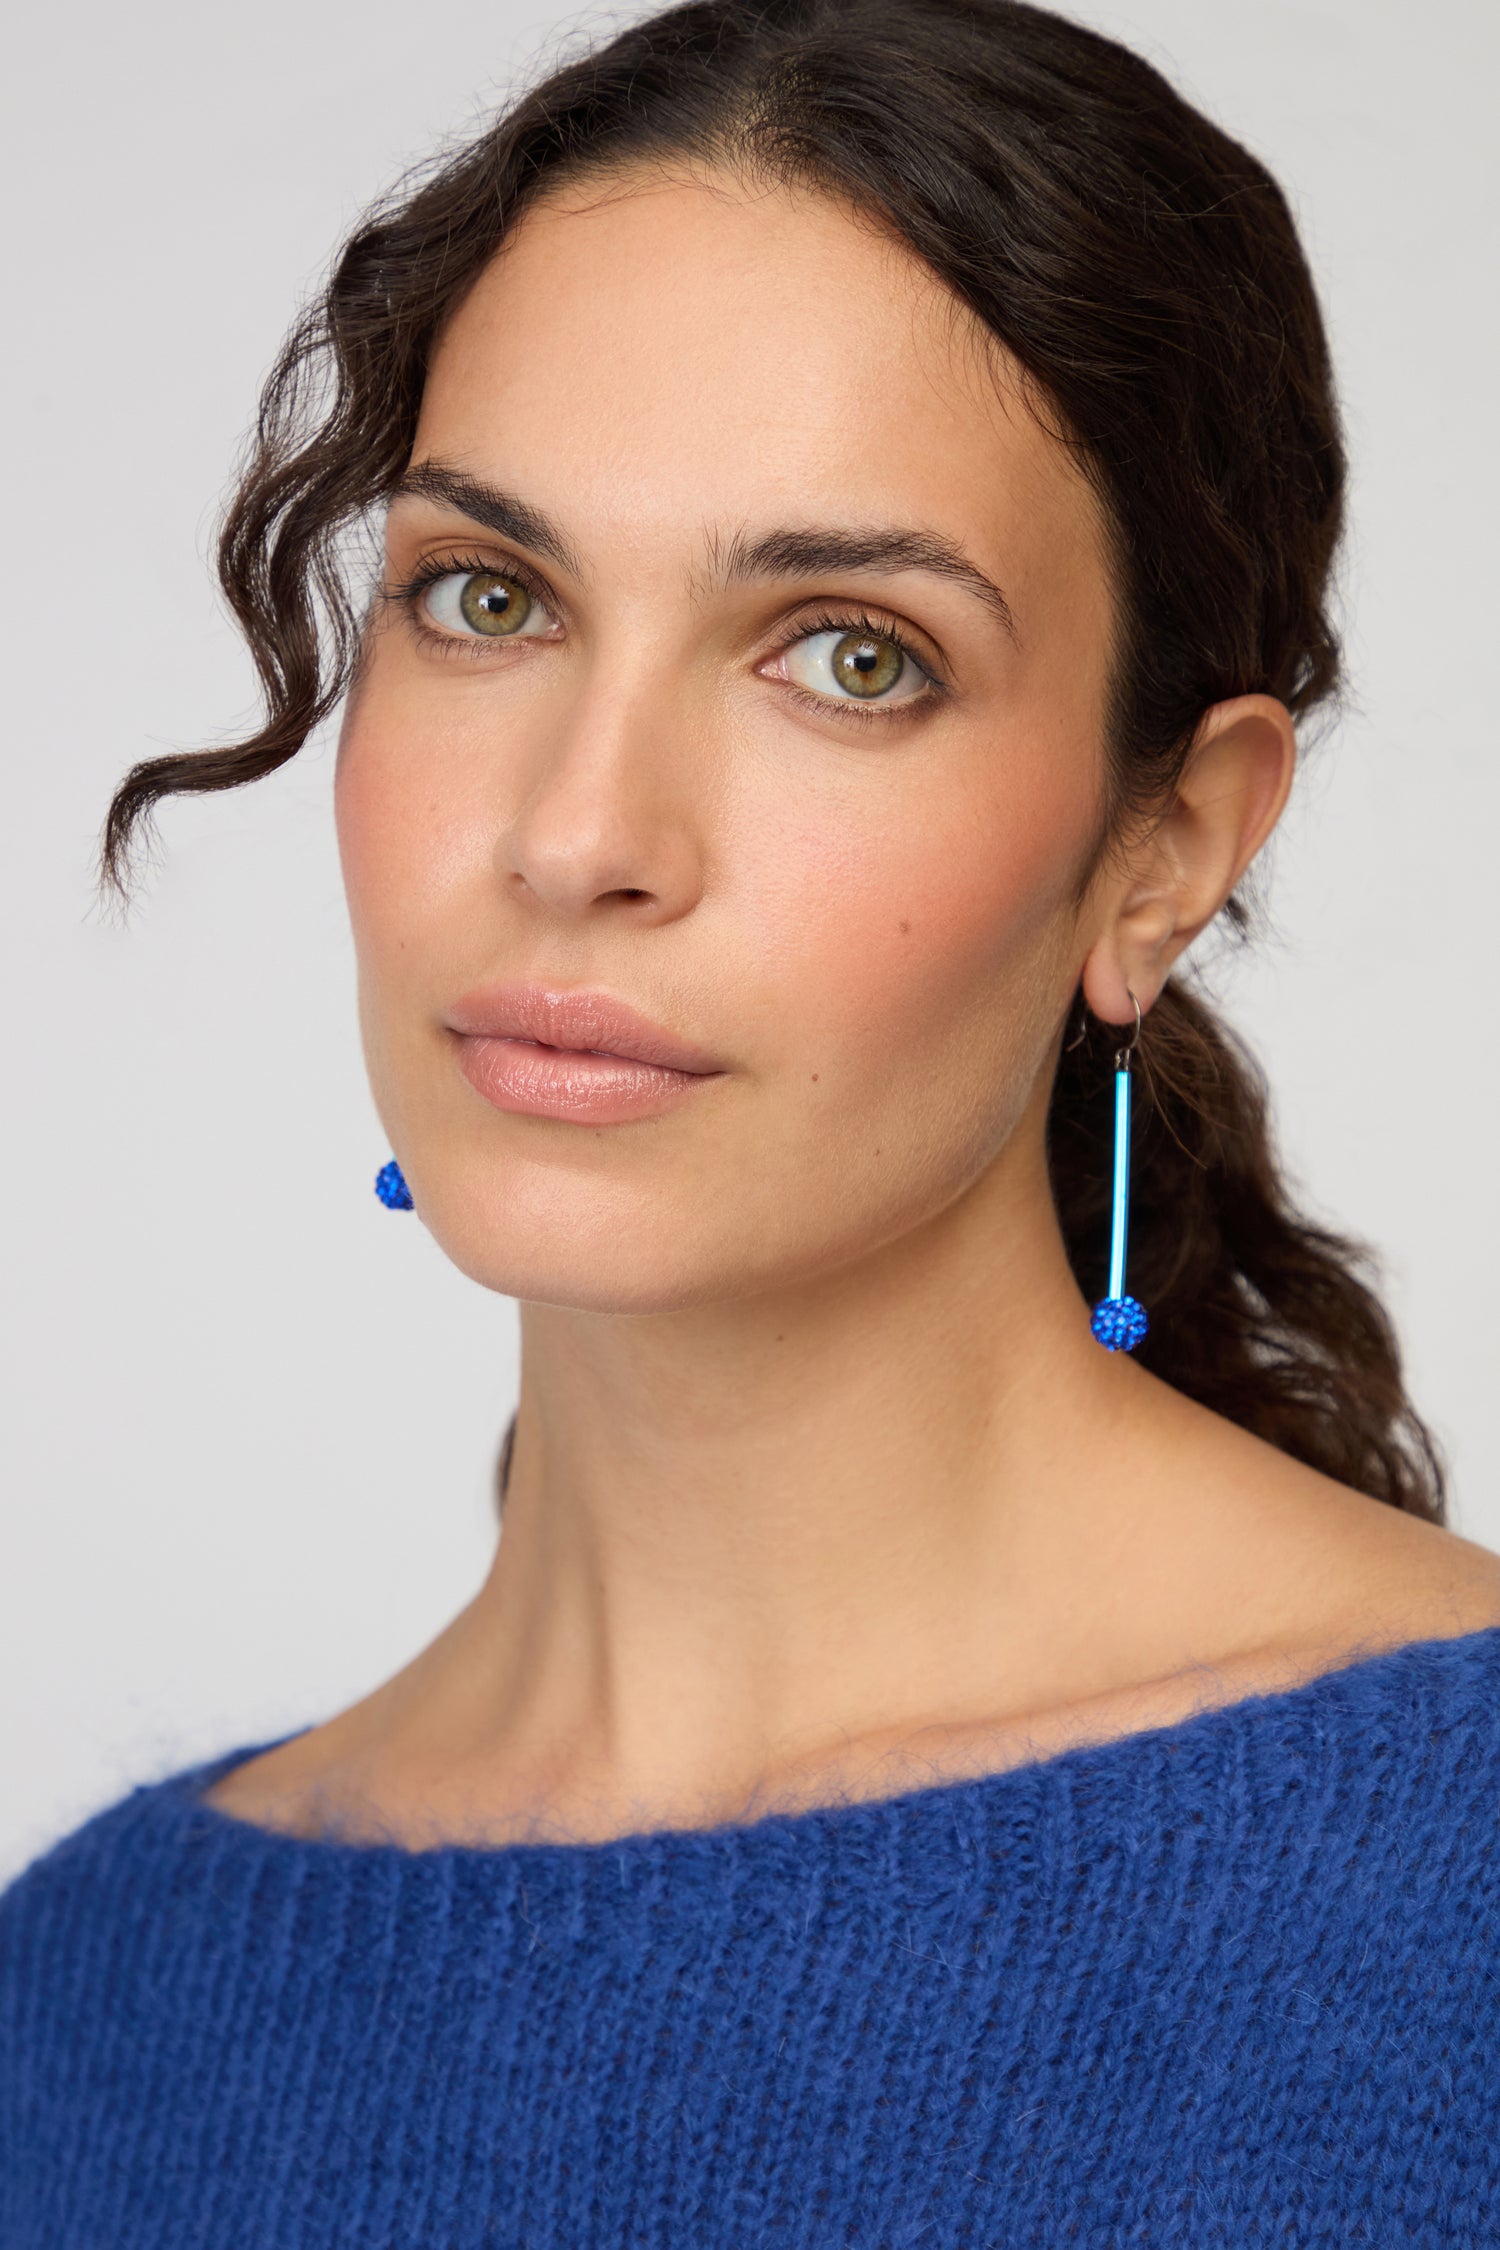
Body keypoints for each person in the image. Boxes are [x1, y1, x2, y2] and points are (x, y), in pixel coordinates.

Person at [4, 0, 1498, 2239]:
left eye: (852, 653)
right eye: (488, 599)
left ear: (1165, 849)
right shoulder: (84, 2007)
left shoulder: (1454, 1893)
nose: (581, 834)